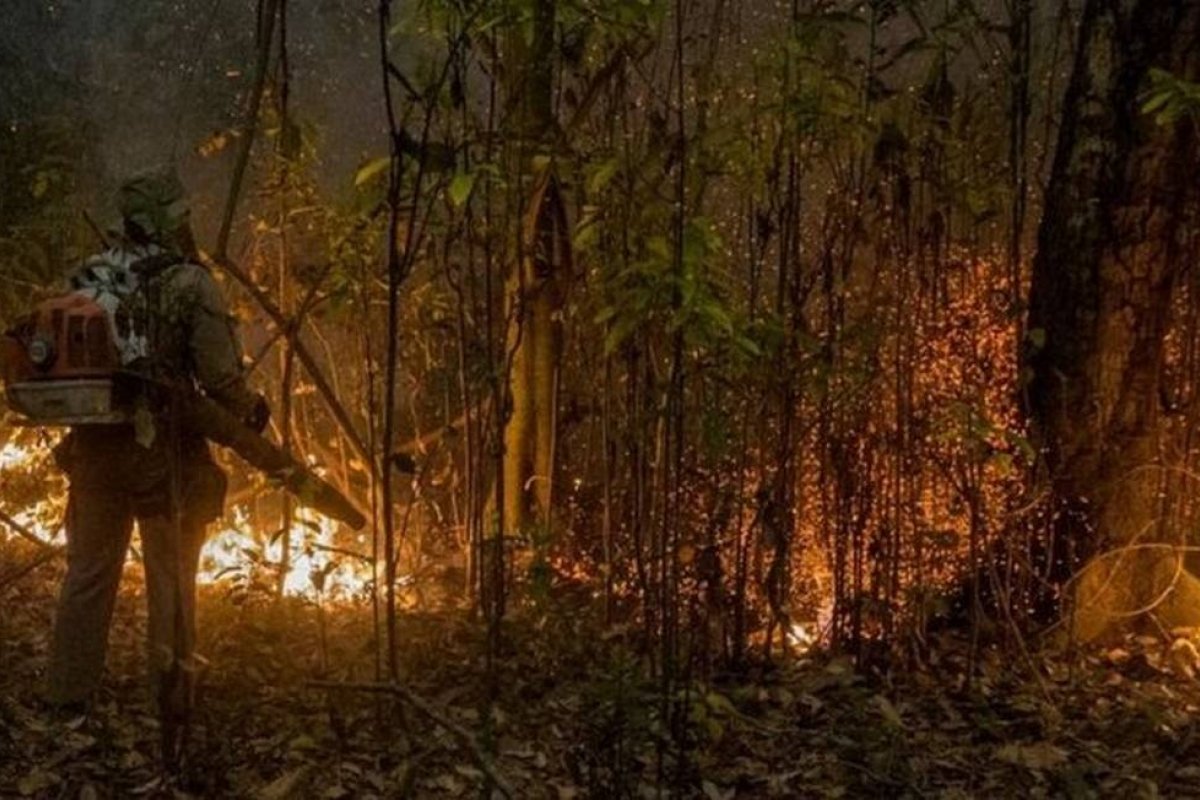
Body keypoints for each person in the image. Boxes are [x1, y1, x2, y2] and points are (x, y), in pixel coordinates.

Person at [44, 169, 268, 766]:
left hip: (94, 453)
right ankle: (171, 704)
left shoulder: (89, 275)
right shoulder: (191, 282)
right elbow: (220, 378)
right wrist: (251, 412)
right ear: (171, 219)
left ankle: (66, 699)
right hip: (165, 456)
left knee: (88, 573)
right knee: (170, 578)